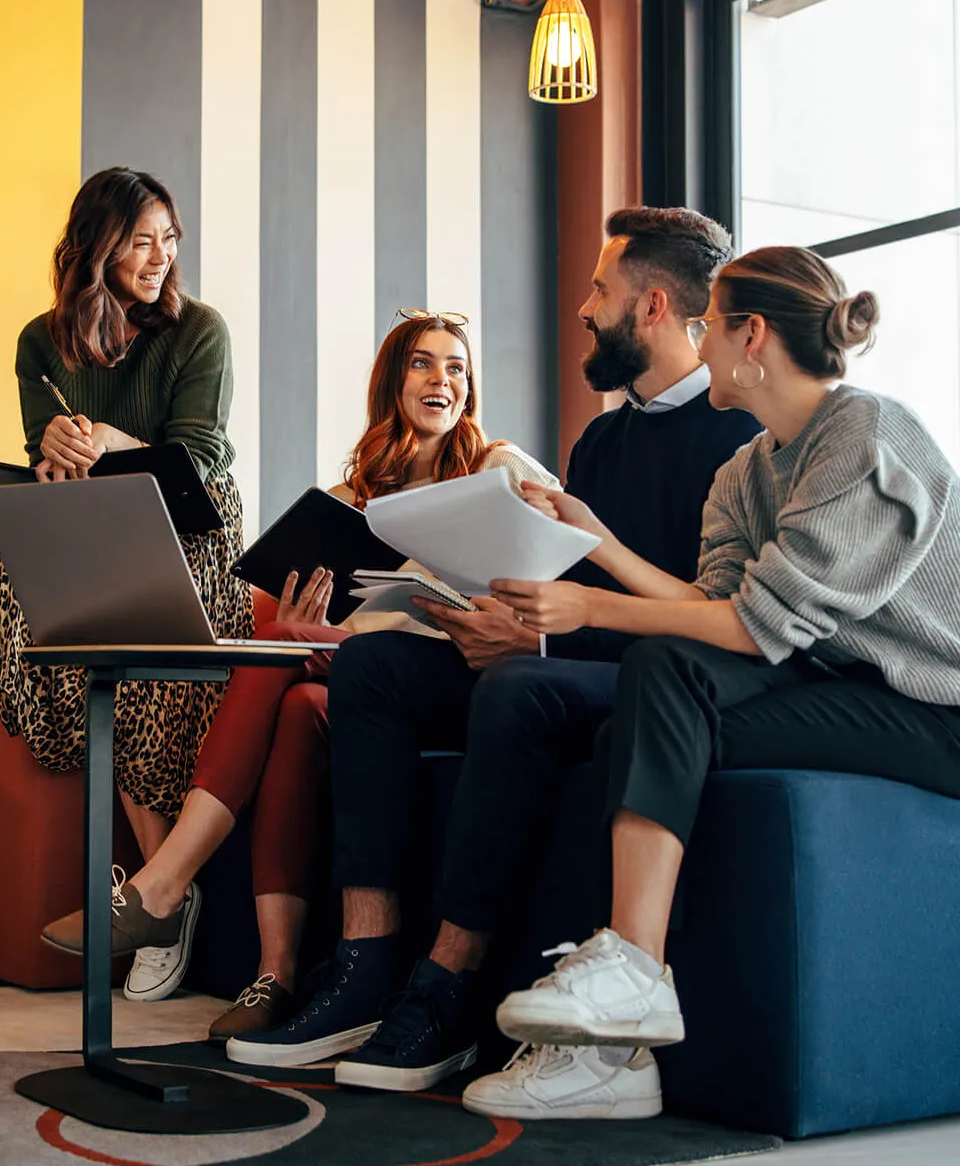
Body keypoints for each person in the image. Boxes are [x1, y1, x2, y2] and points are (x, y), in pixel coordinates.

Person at [226, 207, 761, 1113]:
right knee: (371, 673)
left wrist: (541, 640)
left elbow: (713, 622)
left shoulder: (739, 439)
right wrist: (495, 617)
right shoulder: (600, 440)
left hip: (652, 683)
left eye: (600, 290)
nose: (584, 310)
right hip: (561, 654)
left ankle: (449, 986)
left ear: (655, 306)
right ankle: (364, 964)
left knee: (519, 686)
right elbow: (553, 575)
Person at [484, 246, 960, 1107]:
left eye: (709, 328)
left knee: (659, 685)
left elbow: (751, 624)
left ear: (754, 337)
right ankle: (619, 1053)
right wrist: (594, 537)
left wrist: (591, 609)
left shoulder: (866, 435)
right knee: (647, 703)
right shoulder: (745, 472)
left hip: (935, 712)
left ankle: (628, 983)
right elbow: (709, 609)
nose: (696, 346)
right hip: (840, 687)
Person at [42, 311, 558, 1035]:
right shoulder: (349, 503)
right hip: (363, 685)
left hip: (465, 675)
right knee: (288, 678)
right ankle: (274, 975)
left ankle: (163, 887)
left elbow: (558, 561)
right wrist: (300, 623)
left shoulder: (497, 467)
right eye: (422, 363)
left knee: (295, 660)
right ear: (392, 382)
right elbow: (340, 634)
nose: (442, 379)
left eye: (456, 367)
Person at [1, 167, 252, 1000]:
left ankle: (158, 894)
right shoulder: (41, 342)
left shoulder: (199, 330)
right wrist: (59, 455)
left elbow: (203, 457)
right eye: (142, 240)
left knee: (136, 652)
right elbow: (47, 453)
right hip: (99, 524)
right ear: (97, 246)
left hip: (191, 529)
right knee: (42, 606)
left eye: (168, 239)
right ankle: (163, 895)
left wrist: (111, 438)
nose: (160, 255)